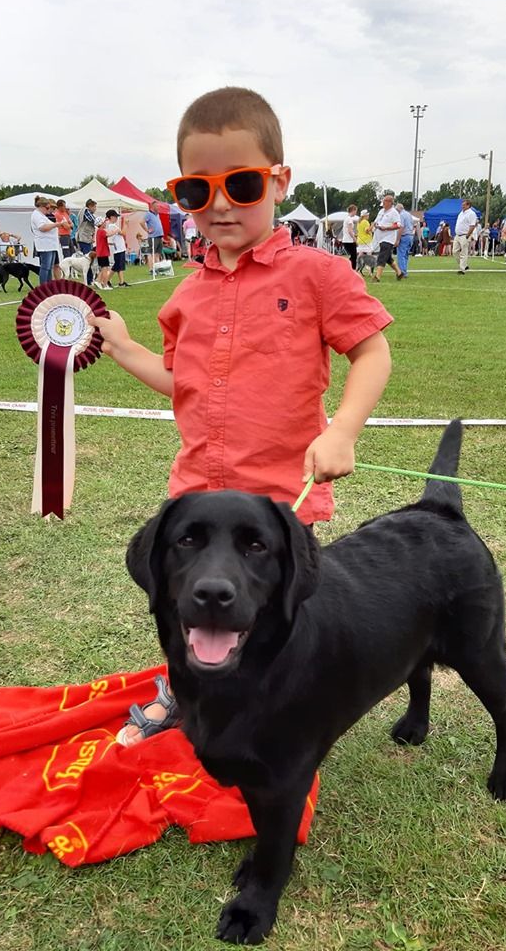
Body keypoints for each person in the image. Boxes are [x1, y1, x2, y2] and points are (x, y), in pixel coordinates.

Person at [87, 86, 393, 744]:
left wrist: (343, 429)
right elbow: (183, 385)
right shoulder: (186, 295)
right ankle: (186, 694)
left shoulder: (317, 275)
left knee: (278, 625)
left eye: (243, 183)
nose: (220, 205)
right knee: (190, 610)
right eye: (198, 191)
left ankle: (284, 725)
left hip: (280, 507)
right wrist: (124, 347)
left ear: (280, 180)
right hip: (195, 500)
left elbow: (372, 351)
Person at [30, 195, 65, 284]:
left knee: (49, 267)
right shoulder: (37, 215)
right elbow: (42, 227)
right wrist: (56, 224)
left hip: (51, 245)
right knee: (45, 267)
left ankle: (48, 286)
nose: (49, 210)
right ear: (42, 206)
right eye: (47, 208)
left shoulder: (42, 215)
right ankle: (43, 286)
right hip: (45, 245)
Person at [371, 194, 402, 281]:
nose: (383, 203)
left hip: (388, 238)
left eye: (385, 201)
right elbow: (376, 221)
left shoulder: (394, 213)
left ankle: (377, 277)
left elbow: (398, 225)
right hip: (379, 237)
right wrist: (370, 228)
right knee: (387, 258)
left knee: (382, 256)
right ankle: (399, 273)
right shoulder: (381, 211)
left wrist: (387, 228)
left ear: (390, 202)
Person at [105, 209, 129, 287]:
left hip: (120, 248)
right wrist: (126, 224)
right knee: (117, 266)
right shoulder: (112, 226)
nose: (117, 218)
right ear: (111, 217)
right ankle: (108, 280)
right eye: (115, 216)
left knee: (118, 266)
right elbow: (124, 233)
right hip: (118, 249)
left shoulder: (113, 225)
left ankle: (120, 282)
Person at [76, 199, 98, 284]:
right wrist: (101, 222)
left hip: (85, 238)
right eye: (94, 207)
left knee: (88, 261)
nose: (95, 209)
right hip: (84, 239)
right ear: (90, 206)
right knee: (88, 261)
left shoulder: (84, 211)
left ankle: (89, 280)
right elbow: (94, 221)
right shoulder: (86, 211)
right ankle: (89, 280)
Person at [453, 199, 477, 275]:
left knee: (464, 252)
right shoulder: (461, 213)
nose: (462, 206)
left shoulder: (471, 214)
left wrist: (468, 235)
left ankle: (462, 269)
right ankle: (464, 265)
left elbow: (472, 225)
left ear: (468, 205)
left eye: (464, 205)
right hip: (457, 235)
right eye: (462, 205)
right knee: (454, 252)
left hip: (464, 235)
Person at [395, 203, 414, 278]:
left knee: (401, 255)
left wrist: (397, 240)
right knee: (406, 255)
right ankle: (404, 271)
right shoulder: (409, 214)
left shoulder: (401, 215)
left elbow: (401, 228)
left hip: (404, 236)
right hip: (410, 236)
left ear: (398, 209)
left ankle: (402, 272)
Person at [93, 218, 113, 290]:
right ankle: (105, 285)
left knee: (103, 268)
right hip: (103, 253)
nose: (105, 224)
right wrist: (115, 231)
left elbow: (102, 241)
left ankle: (98, 281)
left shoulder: (99, 231)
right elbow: (108, 234)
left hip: (101, 252)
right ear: (101, 224)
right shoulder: (101, 231)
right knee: (105, 268)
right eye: (104, 222)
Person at [144, 201, 165, 269]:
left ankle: (158, 268)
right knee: (151, 253)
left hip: (159, 236)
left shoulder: (157, 214)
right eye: (157, 206)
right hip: (153, 237)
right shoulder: (148, 214)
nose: (158, 207)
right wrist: (147, 230)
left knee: (158, 253)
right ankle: (151, 269)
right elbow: (141, 222)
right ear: (153, 206)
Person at [341, 204, 358, 270]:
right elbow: (350, 231)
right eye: (356, 211)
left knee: (352, 256)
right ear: (353, 210)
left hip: (346, 240)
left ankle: (348, 268)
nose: (356, 213)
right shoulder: (349, 219)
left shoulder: (346, 218)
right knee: (354, 256)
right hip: (349, 241)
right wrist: (355, 239)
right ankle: (352, 270)